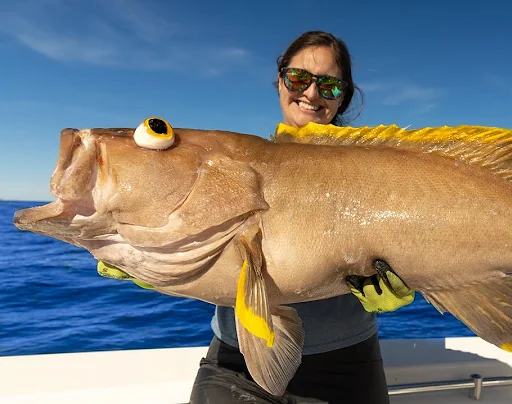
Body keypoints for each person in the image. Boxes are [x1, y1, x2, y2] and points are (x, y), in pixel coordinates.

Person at [96, 31, 415, 404]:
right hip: (235, 363)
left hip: (348, 362)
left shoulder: (376, 171)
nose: (311, 94)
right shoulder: (236, 160)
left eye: (329, 85)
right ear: (280, 81)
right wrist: (148, 256)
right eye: (299, 78)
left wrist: (408, 279)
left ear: (342, 95)